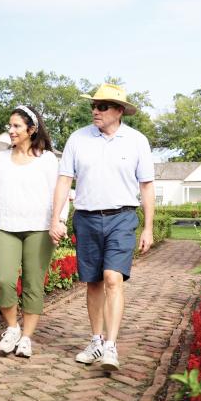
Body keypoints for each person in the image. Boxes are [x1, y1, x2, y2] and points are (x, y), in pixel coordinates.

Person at [49, 83, 155, 371]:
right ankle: (95, 341)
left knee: (112, 278)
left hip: (122, 217)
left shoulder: (136, 141)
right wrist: (55, 218)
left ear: (119, 111)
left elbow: (146, 186)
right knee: (93, 282)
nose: (95, 111)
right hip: (86, 218)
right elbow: (64, 180)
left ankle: (110, 345)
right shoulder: (77, 139)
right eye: (93, 106)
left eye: (102, 106)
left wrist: (148, 228)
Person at [0, 105, 62, 358]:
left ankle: (26, 338)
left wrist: (59, 223)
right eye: (10, 126)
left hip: (40, 229)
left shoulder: (47, 159)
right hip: (6, 227)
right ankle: (12, 328)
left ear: (32, 129)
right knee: (3, 280)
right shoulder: (1, 159)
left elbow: (59, 195)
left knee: (33, 285)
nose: (11, 130)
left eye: (16, 126)